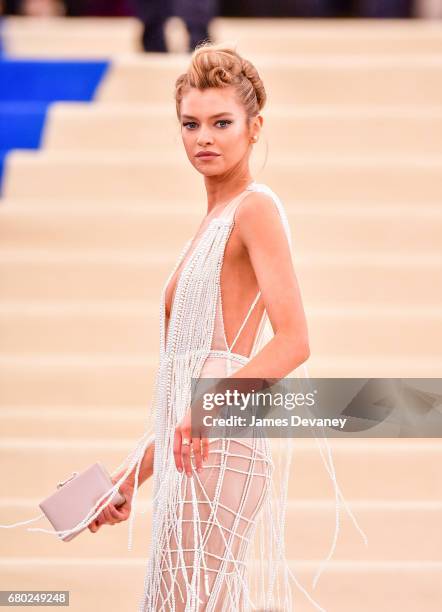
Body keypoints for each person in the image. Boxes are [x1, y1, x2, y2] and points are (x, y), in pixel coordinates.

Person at [0, 42, 366, 611]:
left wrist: (207, 406)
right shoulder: (212, 220)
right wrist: (126, 479)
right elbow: (179, 397)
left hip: (224, 436)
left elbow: (295, 341)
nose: (205, 137)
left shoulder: (255, 208)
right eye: (191, 124)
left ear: (254, 127)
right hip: (198, 440)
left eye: (222, 123)